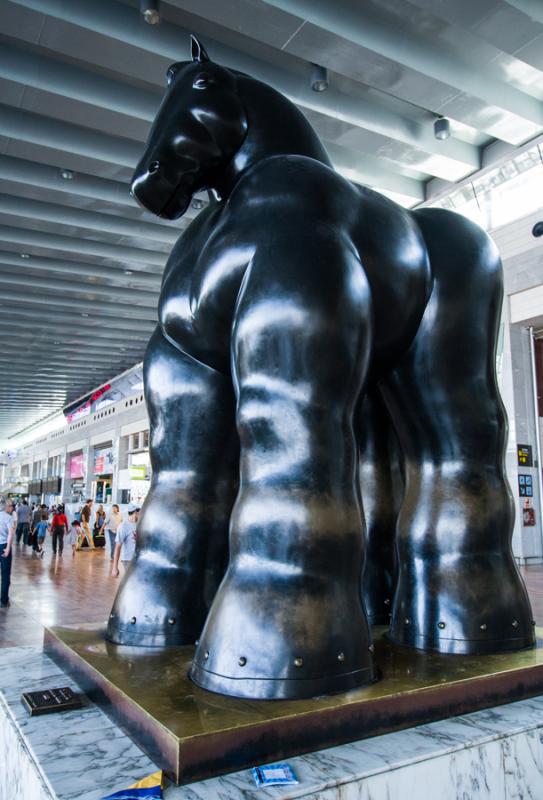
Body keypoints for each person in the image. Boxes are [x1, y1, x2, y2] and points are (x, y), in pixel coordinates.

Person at [111, 504, 140, 578]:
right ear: (135, 513)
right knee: (133, 581)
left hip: (139, 559)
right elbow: (117, 547)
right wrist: (114, 568)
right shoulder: (123, 526)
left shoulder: (139, 524)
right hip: (128, 560)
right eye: (139, 512)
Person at [0, 499, 15, 607]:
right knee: (5, 574)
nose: (12, 508)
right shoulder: (9, 518)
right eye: (11, 506)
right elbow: (10, 534)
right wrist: (8, 548)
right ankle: (4, 600)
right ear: (6, 507)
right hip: (4, 546)